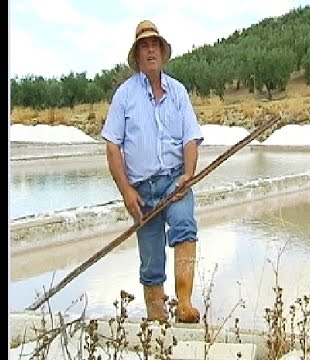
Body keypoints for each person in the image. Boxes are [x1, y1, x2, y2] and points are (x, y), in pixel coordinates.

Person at [101, 19, 203, 323]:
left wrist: (188, 173)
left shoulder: (179, 92)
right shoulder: (124, 95)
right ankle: (157, 319)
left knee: (185, 226)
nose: (150, 51)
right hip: (141, 190)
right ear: (137, 55)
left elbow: (191, 138)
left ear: (161, 50)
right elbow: (112, 146)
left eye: (154, 45)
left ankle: (184, 305)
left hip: (175, 180)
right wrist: (126, 191)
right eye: (144, 46)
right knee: (151, 259)